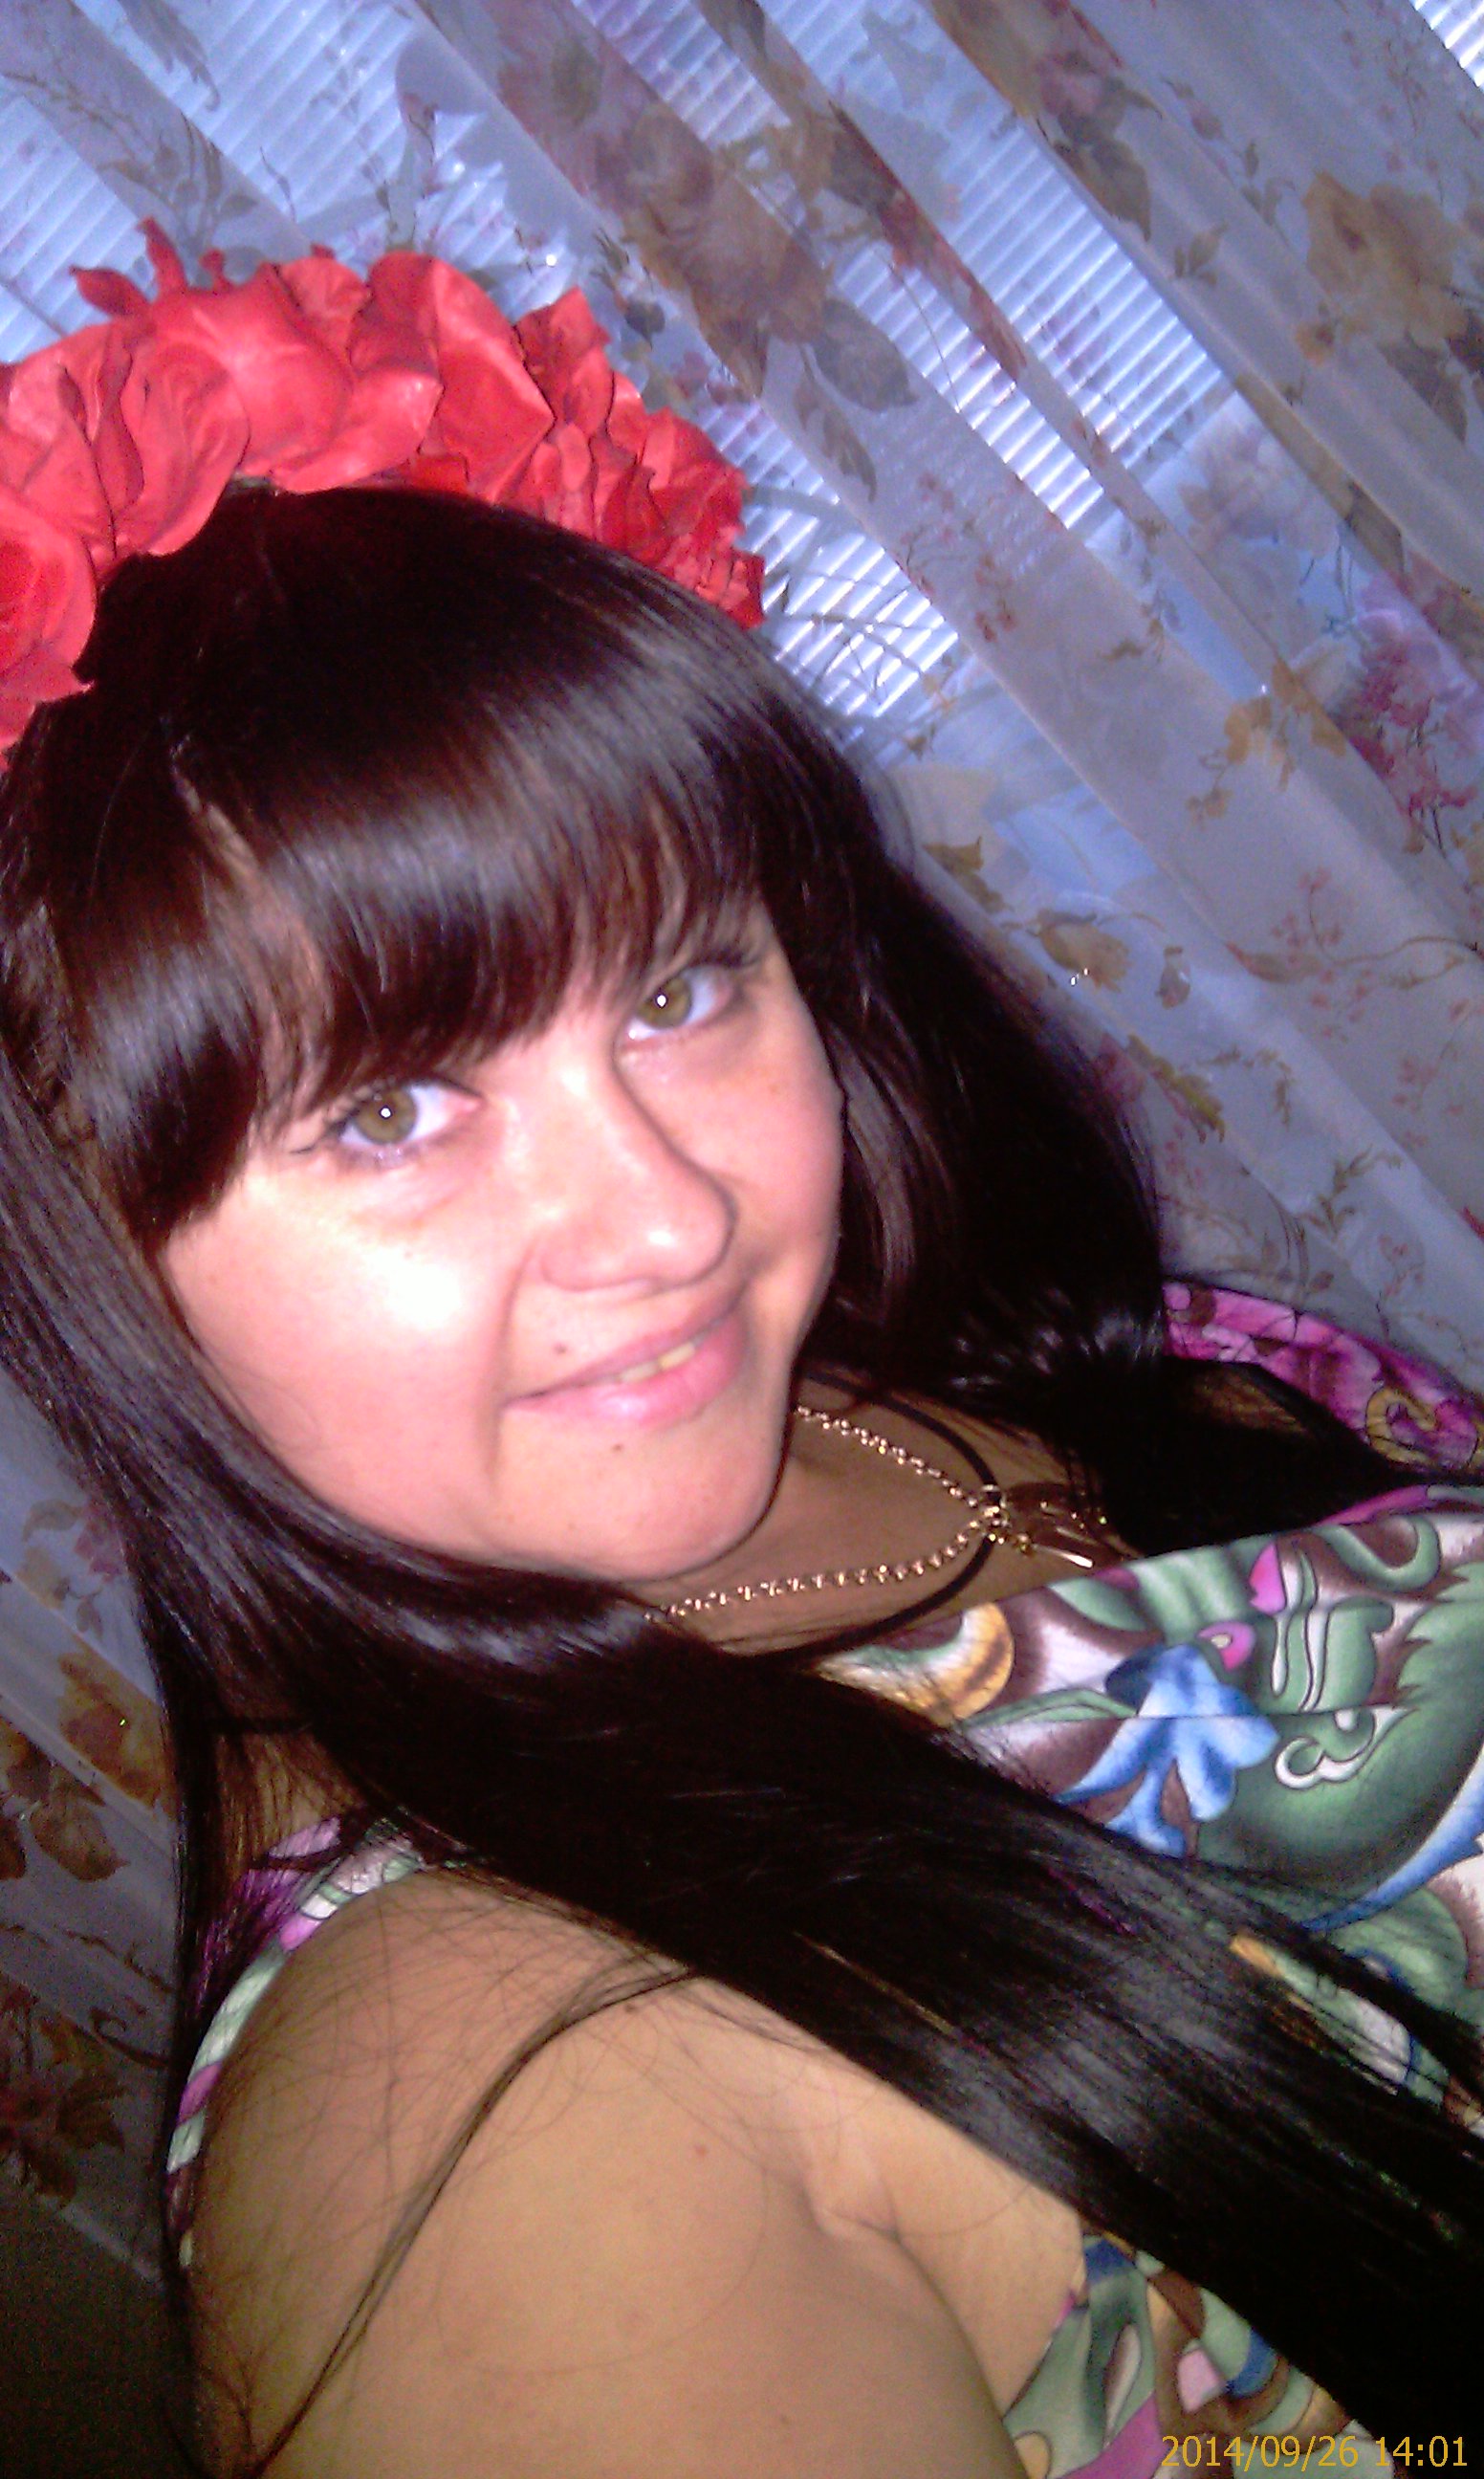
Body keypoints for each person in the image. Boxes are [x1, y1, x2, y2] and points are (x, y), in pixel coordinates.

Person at [0, 240, 1482, 2479]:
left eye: (683, 989)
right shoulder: (488, 2111)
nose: (667, 1219)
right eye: (387, 1113)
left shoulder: (985, 1367)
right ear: (90, 1243)